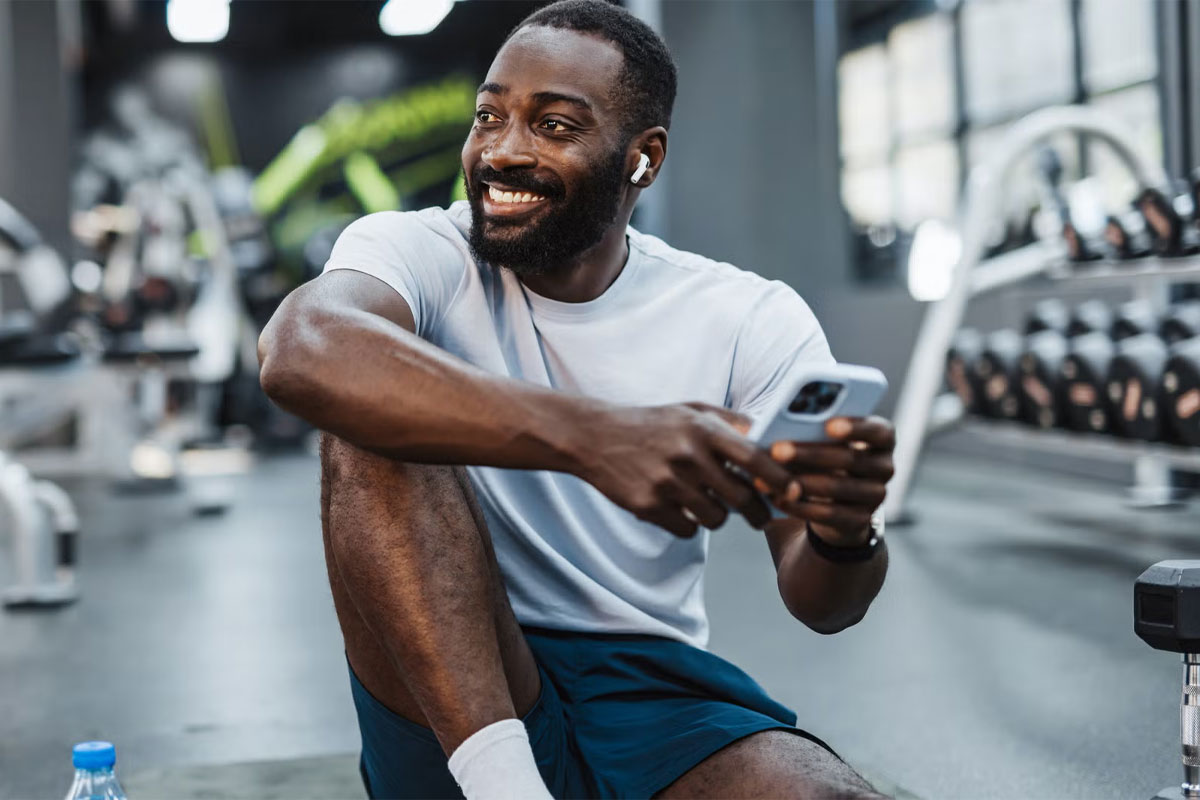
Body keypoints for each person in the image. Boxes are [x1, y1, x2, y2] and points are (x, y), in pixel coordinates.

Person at [258, 2, 894, 797]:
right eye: (489, 116)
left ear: (643, 159)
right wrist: (598, 438)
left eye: (554, 126)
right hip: (454, 679)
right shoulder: (417, 248)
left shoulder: (747, 315)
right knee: (366, 407)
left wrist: (844, 533)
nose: (502, 151)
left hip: (652, 691)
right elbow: (301, 348)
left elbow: (823, 606)